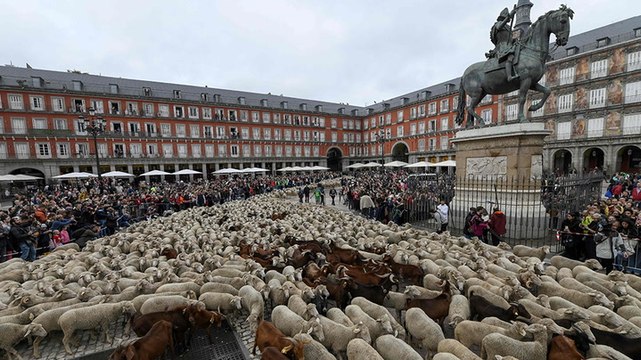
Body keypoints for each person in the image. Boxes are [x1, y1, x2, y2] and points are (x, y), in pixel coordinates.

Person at [488, 7, 519, 81]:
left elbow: (512, 37)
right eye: (506, 18)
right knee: (510, 56)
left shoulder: (508, 27)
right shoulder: (497, 24)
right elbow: (499, 27)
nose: (508, 20)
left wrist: (516, 39)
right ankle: (509, 76)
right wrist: (510, 15)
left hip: (510, 45)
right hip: (502, 46)